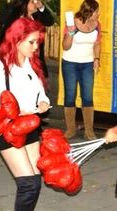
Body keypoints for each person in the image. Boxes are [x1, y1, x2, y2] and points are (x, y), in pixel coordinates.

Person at [0, 17, 51, 211]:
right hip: (9, 129)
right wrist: (21, 110)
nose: (36, 47)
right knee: (29, 184)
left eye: (38, 43)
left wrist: (43, 102)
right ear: (17, 40)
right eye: (32, 42)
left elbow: (41, 93)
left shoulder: (30, 65)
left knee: (35, 182)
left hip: (31, 127)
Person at [61, 0, 101, 140]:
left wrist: (97, 59)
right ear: (89, 12)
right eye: (97, 11)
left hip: (87, 64)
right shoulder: (73, 23)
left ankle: (89, 131)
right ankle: (71, 129)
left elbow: (97, 44)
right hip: (70, 63)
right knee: (70, 95)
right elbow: (65, 47)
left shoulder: (97, 25)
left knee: (88, 97)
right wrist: (71, 33)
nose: (99, 14)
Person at [0, 0, 55, 78]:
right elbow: (4, 33)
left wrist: (41, 7)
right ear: (24, 4)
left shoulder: (36, 16)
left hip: (35, 58)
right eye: (32, 2)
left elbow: (50, 21)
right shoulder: (15, 18)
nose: (35, 3)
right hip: (17, 59)